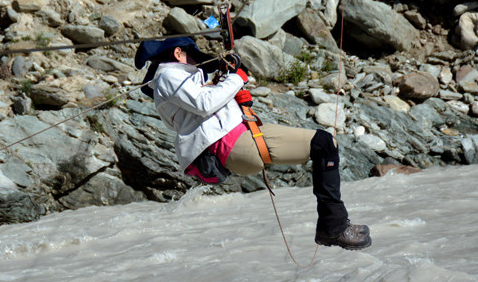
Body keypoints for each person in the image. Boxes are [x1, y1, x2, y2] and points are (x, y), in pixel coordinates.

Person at [135, 37, 371, 250]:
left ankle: (334, 225)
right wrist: (236, 78)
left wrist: (229, 88)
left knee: (325, 144)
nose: (196, 62)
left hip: (237, 139)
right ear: (178, 53)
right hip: (233, 144)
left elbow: (204, 105)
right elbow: (204, 104)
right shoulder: (168, 75)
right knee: (324, 145)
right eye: (193, 56)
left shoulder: (174, 80)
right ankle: (334, 227)